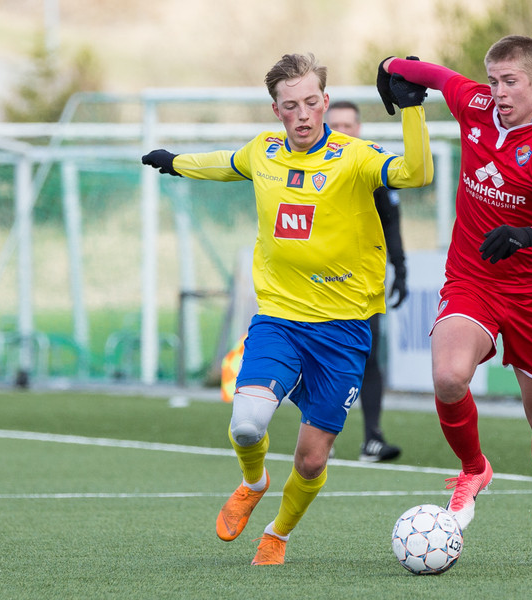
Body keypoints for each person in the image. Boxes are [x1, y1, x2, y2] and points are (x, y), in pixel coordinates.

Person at [142, 52, 432, 566]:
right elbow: (226, 163)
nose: (303, 114)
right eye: (290, 105)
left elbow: (416, 173)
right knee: (247, 424)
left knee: (312, 459)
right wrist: (177, 163)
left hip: (344, 329)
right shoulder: (265, 151)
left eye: (311, 102)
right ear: (276, 110)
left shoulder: (355, 157)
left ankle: (277, 533)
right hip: (280, 318)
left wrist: (412, 109)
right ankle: (254, 482)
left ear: (325, 101)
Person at [379, 36, 532, 567]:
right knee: (448, 377)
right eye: (494, 80)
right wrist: (389, 67)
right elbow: (437, 76)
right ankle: (474, 468)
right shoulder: (476, 104)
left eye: (511, 82)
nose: (499, 92)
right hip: (473, 278)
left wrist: (528, 236)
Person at [325, 100, 407, 463]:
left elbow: (392, 222)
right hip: (314, 281)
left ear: (358, 128)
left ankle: (372, 438)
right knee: (319, 357)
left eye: (348, 125)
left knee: (368, 355)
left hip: (362, 282)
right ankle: (318, 435)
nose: (342, 131)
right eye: (335, 125)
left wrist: (401, 269)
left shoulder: (374, 166)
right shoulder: (309, 166)